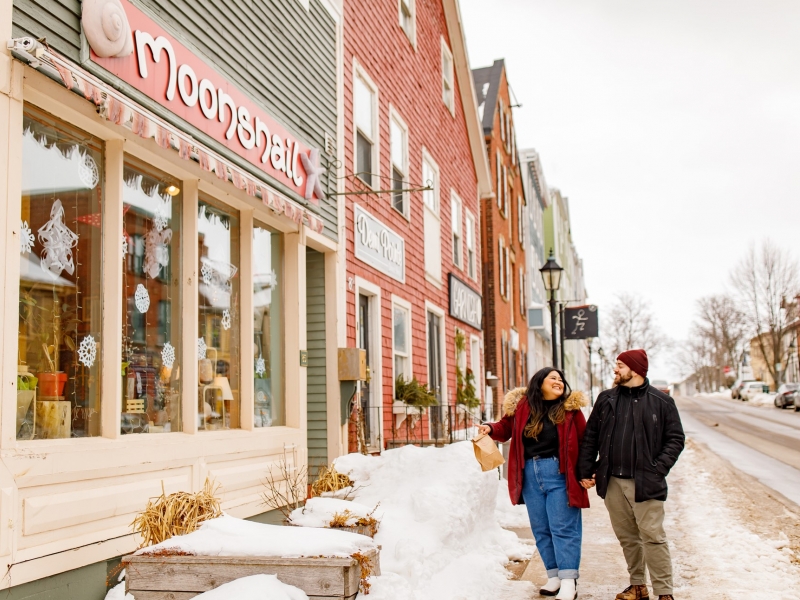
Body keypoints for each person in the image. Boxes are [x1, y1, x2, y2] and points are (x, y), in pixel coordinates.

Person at [576, 349, 685, 600]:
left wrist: (658, 468)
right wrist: (585, 469)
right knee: (628, 538)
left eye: (620, 365)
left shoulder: (662, 401)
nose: (616, 370)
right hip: (612, 481)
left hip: (646, 482)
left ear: (635, 369)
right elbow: (591, 437)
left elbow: (675, 439)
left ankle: (664, 591)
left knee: (653, 536)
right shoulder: (606, 399)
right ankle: (638, 586)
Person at [479, 367, 589, 600]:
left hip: (560, 473)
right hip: (529, 474)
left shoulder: (571, 410)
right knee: (541, 528)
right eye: (553, 378)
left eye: (561, 378)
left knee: (563, 528)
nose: (559, 381)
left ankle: (569, 580)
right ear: (539, 383)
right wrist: (490, 428)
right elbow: (505, 428)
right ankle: (554, 576)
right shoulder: (522, 407)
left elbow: (586, 442)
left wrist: (588, 471)